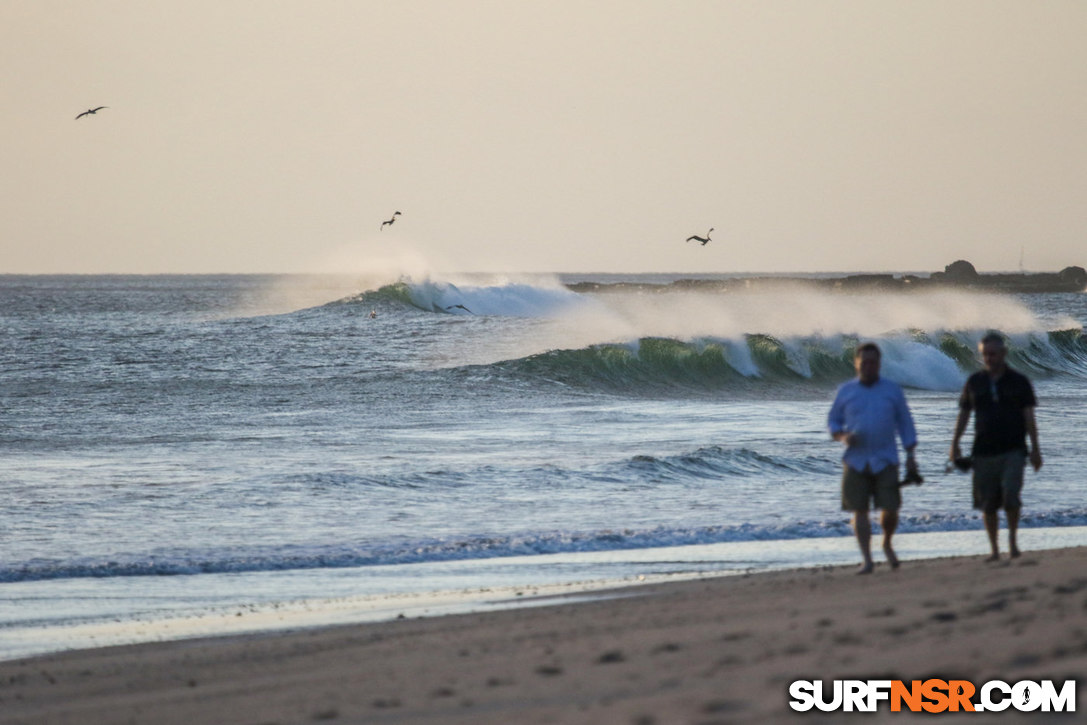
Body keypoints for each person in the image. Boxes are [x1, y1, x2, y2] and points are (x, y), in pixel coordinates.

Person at [828, 342, 919, 574]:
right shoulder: (846, 391)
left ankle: (887, 541)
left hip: (886, 458)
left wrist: (910, 454)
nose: (868, 366)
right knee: (859, 510)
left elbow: (905, 423)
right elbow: (834, 421)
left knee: (890, 509)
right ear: (856, 363)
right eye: (864, 362)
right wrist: (842, 436)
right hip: (855, 459)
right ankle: (867, 559)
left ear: (879, 364)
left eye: (873, 362)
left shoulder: (892, 390)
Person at [951, 332, 1042, 561]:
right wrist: (955, 443)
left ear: (1003, 353)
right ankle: (993, 549)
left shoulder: (1019, 382)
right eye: (985, 354)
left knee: (1011, 495)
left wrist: (1035, 449)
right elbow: (964, 413)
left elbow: (1029, 417)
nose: (989, 358)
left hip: (1014, 449)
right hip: (982, 450)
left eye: (993, 354)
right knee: (988, 503)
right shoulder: (975, 382)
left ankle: (1011, 541)